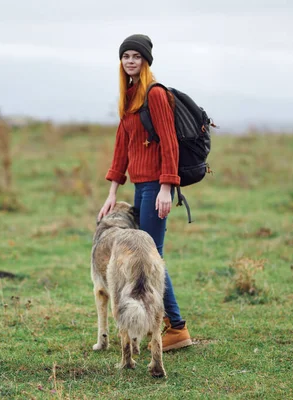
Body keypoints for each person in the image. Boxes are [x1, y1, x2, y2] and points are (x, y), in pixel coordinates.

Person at [97, 34, 192, 351]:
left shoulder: (155, 95)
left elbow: (169, 141)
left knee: (151, 258)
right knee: (147, 257)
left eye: (136, 56)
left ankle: (176, 327)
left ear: (146, 60)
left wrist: (166, 187)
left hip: (156, 187)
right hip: (140, 186)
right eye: (125, 56)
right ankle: (165, 325)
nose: (130, 61)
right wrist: (112, 192)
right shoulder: (130, 96)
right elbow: (122, 146)